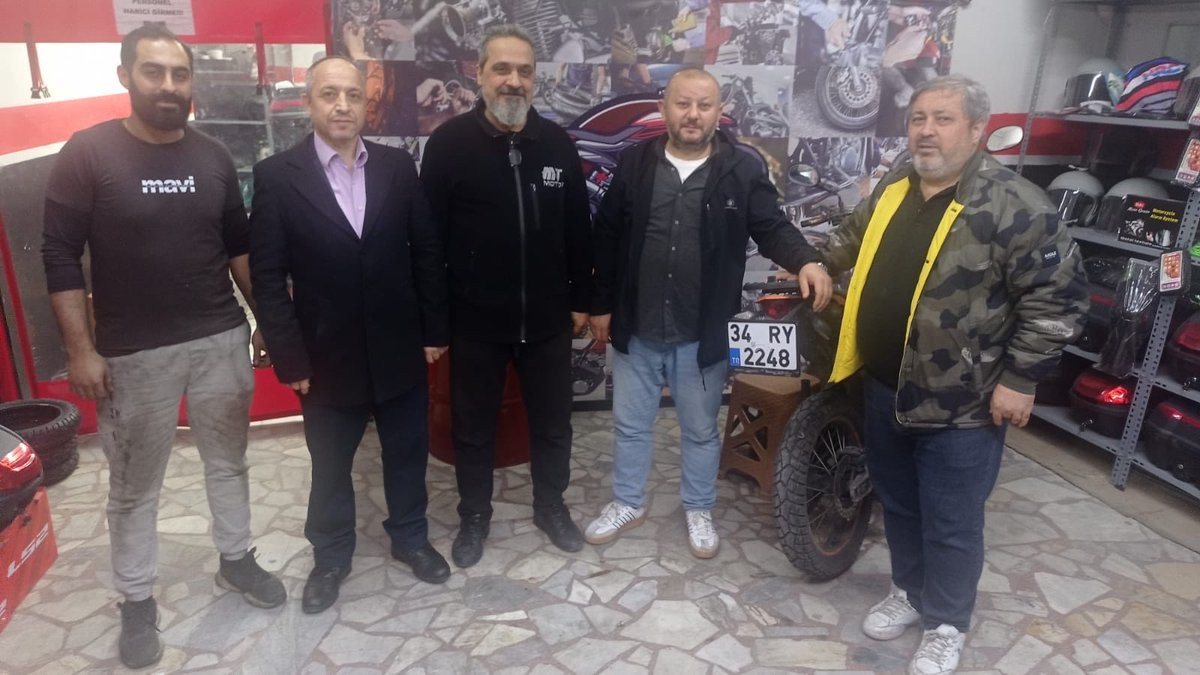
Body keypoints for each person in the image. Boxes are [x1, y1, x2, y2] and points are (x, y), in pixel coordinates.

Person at [818, 74, 1087, 675]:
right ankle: (910, 593)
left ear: (976, 130)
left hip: (963, 404)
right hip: (885, 386)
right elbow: (850, 239)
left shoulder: (1015, 205)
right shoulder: (895, 185)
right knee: (899, 505)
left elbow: (1058, 300)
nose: (927, 131)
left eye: (943, 119)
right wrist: (814, 262)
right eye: (919, 118)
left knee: (952, 521)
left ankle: (947, 622)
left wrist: (1021, 378)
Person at [40, 25, 285, 669]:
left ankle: (236, 559)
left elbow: (238, 248)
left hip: (218, 339)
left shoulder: (213, 156)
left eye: (180, 74)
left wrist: (266, 321)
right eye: (154, 72)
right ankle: (136, 598)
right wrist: (81, 350)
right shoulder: (88, 153)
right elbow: (60, 256)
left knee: (228, 464)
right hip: (131, 354)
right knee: (133, 486)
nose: (169, 86)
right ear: (126, 76)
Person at [585, 67, 832, 559]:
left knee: (700, 431)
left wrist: (806, 260)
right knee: (631, 426)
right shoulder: (635, 162)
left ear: (719, 111)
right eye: (683, 103)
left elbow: (771, 226)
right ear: (664, 108)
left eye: (704, 105)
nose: (693, 114)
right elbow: (607, 236)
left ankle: (698, 507)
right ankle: (628, 502)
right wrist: (599, 305)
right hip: (638, 326)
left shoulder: (741, 169)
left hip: (701, 333)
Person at [249, 55, 451, 614]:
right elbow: (268, 277)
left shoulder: (396, 167)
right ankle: (331, 556)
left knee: (407, 453)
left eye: (353, 95)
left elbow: (426, 252)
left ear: (367, 103)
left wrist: (434, 328)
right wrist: (290, 357)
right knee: (331, 465)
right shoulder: (276, 176)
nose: (342, 105)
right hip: (324, 356)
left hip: (399, 345)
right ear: (309, 102)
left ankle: (410, 537)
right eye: (329, 94)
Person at [420, 24, 593, 568]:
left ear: (535, 79)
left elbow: (578, 231)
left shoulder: (557, 144)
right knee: (473, 428)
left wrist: (582, 299)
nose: (513, 81)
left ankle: (551, 507)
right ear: (478, 74)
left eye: (524, 71)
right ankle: (475, 516)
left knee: (553, 424)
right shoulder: (448, 146)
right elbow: (429, 243)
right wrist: (435, 322)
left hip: (547, 321)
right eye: (502, 69)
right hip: (474, 322)